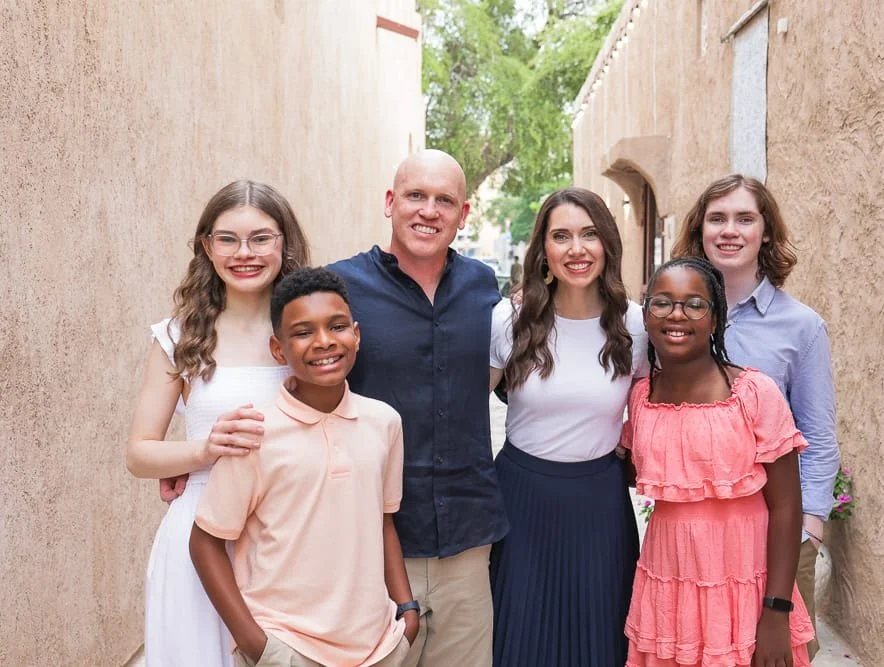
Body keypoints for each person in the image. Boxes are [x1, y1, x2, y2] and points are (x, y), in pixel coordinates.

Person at [327, 149, 505, 667]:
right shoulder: (340, 288)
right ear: (390, 202)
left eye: (444, 200)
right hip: (371, 540)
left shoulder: (483, 287)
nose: (429, 211)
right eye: (415, 196)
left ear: (463, 214)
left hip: (466, 541)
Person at [189, 268, 417, 667]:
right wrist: (257, 645)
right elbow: (205, 543)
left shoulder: (384, 422)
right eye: (303, 332)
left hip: (379, 647)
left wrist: (407, 611)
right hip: (288, 648)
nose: (324, 341)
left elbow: (383, 522)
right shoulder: (254, 432)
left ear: (357, 335)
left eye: (337, 326)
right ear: (279, 350)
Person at [126, 180, 310, 666]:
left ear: (285, 243)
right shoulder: (178, 336)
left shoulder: (306, 332)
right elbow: (140, 453)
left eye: (260, 238)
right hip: (200, 534)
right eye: (228, 239)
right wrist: (202, 450)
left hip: (289, 533)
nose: (244, 253)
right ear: (207, 247)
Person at [672, 174, 840, 657]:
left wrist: (809, 531)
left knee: (777, 656)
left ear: (765, 232)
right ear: (700, 230)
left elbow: (817, 435)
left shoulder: (801, 327)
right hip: (693, 539)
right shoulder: (670, 320)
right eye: (717, 219)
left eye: (745, 219)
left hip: (777, 538)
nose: (730, 230)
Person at [622, 256, 815, 667]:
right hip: (670, 585)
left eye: (695, 304)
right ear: (646, 315)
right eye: (663, 302)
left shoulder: (752, 394)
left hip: (744, 585)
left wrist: (777, 610)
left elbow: (786, 507)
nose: (677, 314)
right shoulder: (641, 399)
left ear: (715, 319)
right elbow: (632, 468)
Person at [487, 187, 648, 667]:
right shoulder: (511, 319)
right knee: (520, 639)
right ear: (544, 248)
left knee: (598, 640)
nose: (576, 249)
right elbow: (464, 412)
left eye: (589, 234)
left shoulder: (635, 325)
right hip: (520, 501)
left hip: (599, 504)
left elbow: (651, 410)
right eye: (561, 236)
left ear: (607, 244)